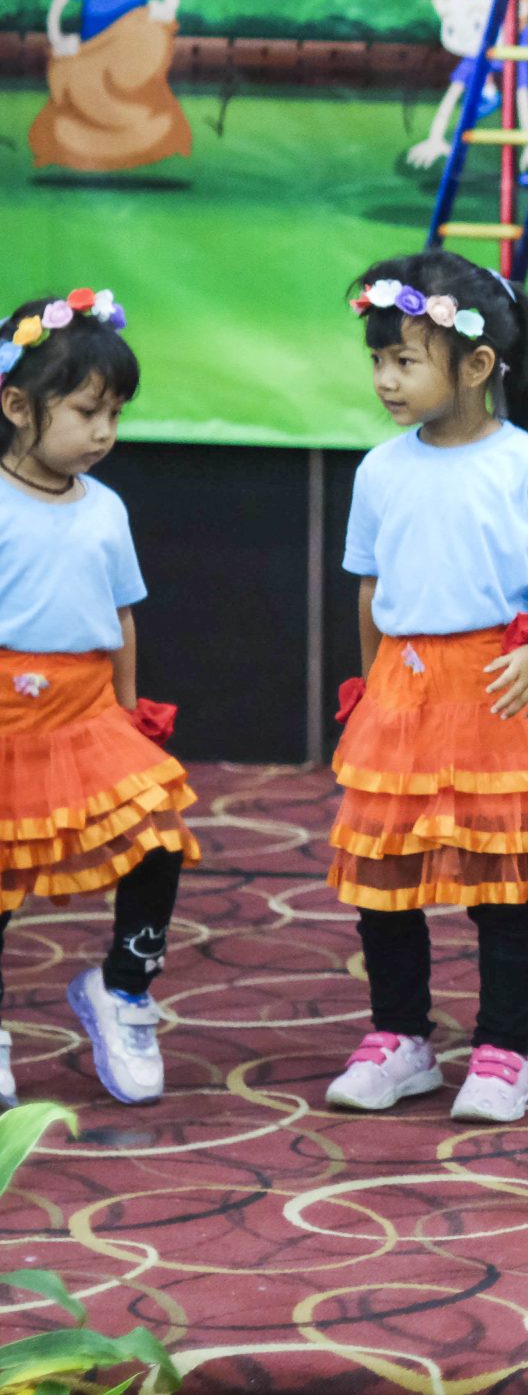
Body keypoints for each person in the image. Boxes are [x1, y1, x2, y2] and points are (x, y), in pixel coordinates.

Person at [324, 253, 528, 1125]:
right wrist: (371, 687)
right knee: (385, 880)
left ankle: (503, 1050)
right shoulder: (380, 470)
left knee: (500, 883)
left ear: (478, 364)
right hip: (402, 695)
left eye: (405, 360)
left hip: (498, 690)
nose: (386, 379)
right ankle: (399, 1037)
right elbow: (371, 589)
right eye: (378, 360)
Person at [0, 290, 194, 1107]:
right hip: (8, 719)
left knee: (158, 837)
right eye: (87, 411)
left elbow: (122, 618)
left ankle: (123, 989)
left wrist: (128, 711)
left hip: (88, 714)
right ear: (18, 406)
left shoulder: (106, 507)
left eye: (115, 413)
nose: (105, 431)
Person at [30, 0, 190, 173]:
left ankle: (141, 137)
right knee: (83, 94)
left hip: (133, 52)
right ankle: (86, 144)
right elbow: (58, 7)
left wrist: (165, 9)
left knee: (136, 92)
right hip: (92, 50)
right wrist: (58, 38)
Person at [404, 0, 528, 173]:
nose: (462, 36)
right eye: (450, 24)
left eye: (475, 24)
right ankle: (489, 93)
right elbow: (451, 97)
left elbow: (523, 99)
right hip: (495, 67)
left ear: (521, 9)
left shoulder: (519, 52)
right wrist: (435, 139)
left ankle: (491, 92)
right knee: (480, 81)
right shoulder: (475, 55)